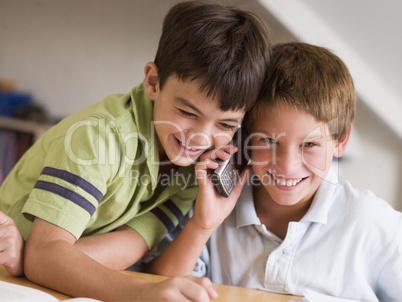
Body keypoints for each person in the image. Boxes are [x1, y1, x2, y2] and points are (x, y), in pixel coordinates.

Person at [0, 1, 272, 300]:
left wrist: (37, 258)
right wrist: (142, 294)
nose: (200, 138)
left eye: (226, 125)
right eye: (187, 112)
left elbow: (136, 243)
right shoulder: (100, 136)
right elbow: (46, 256)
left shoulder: (194, 164)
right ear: (153, 82)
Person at [145, 42, 402, 302]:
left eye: (309, 144)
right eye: (268, 141)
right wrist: (202, 226)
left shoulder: (377, 229)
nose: (288, 166)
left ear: (340, 141)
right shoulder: (212, 207)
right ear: (244, 138)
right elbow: (154, 289)